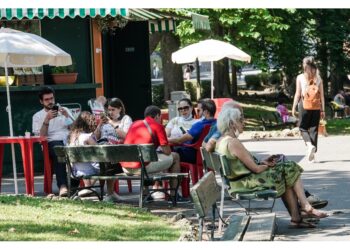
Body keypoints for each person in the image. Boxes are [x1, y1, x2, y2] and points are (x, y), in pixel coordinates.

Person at [215, 108, 328, 228]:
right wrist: (265, 165)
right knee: (290, 167)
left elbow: (243, 164)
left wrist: (263, 162)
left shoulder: (221, 141)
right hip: (247, 183)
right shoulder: (233, 142)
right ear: (232, 123)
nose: (244, 122)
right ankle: (305, 206)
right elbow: (256, 170)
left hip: (239, 181)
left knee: (285, 171)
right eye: (240, 120)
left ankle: (297, 218)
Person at [121, 105, 181, 199]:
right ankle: (174, 194)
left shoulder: (135, 124)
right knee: (175, 156)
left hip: (125, 167)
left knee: (145, 157)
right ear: (157, 116)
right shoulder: (158, 126)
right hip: (141, 168)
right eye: (160, 117)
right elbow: (167, 152)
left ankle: (145, 193)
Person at [32, 86, 74, 197]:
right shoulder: (37, 116)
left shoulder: (64, 110)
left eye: (51, 98)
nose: (50, 101)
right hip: (51, 143)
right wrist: (47, 120)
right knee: (58, 149)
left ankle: (76, 185)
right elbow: (41, 137)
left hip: (69, 141)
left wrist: (67, 116)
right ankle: (63, 185)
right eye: (47, 99)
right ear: (41, 101)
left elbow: (75, 129)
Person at [292, 56, 325, 163]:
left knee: (302, 128)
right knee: (314, 129)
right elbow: (322, 96)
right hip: (316, 106)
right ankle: (313, 156)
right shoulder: (319, 78)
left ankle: (309, 145)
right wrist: (323, 109)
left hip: (304, 105)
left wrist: (293, 107)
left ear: (304, 65)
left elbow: (297, 94)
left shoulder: (300, 77)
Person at [168, 98, 216, 164]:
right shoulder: (216, 123)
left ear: (206, 112)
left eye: (199, 110)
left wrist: (165, 139)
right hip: (207, 155)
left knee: (167, 155)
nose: (197, 112)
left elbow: (179, 140)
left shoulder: (199, 125)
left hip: (191, 154)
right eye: (180, 109)